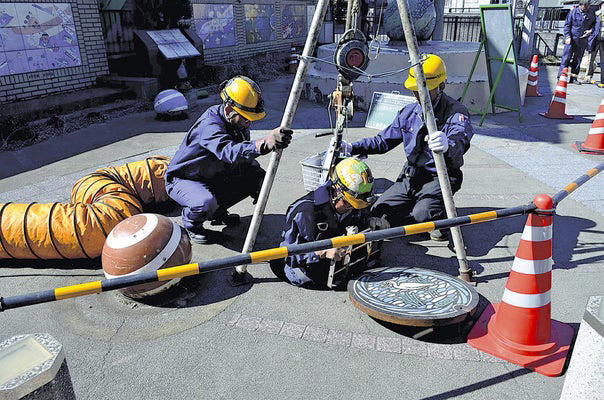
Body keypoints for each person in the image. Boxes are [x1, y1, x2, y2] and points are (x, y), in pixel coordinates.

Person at [342, 54, 474, 241]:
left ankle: (440, 214)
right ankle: (414, 211)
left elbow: (461, 138)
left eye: (424, 90)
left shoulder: (455, 111)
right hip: (410, 176)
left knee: (423, 216)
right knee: (379, 210)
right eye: (415, 90)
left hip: (440, 176)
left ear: (441, 86)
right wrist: (352, 147)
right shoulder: (409, 113)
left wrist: (448, 145)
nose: (418, 94)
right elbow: (382, 141)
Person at [165, 75, 293, 244]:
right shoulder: (209, 125)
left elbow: (242, 157)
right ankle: (192, 224)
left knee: (256, 176)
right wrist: (264, 144)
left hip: (210, 175)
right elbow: (229, 152)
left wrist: (258, 178)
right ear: (228, 110)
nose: (248, 123)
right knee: (204, 202)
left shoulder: (236, 123)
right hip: (184, 180)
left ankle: (217, 213)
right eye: (246, 118)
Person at [276, 157, 388, 288]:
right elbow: (287, 255)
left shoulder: (358, 198)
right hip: (309, 267)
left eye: (357, 206)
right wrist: (321, 252)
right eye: (347, 204)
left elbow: (360, 216)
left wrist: (372, 222)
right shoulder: (303, 211)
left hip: (342, 266)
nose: (351, 209)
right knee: (302, 278)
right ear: (336, 191)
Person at [559, 0, 597, 83]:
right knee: (566, 59)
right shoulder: (573, 12)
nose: (586, 8)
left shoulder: (591, 13)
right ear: (580, 5)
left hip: (582, 40)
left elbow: (594, 25)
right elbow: (567, 26)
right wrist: (568, 37)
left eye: (588, 6)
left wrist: (590, 31)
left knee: (578, 60)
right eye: (585, 6)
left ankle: (574, 78)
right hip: (572, 39)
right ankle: (561, 76)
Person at [584, 0, 604, 86]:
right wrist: (590, 31)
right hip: (595, 39)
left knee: (603, 61)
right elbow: (591, 24)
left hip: (603, 41)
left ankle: (603, 80)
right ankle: (588, 76)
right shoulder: (595, 13)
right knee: (591, 59)